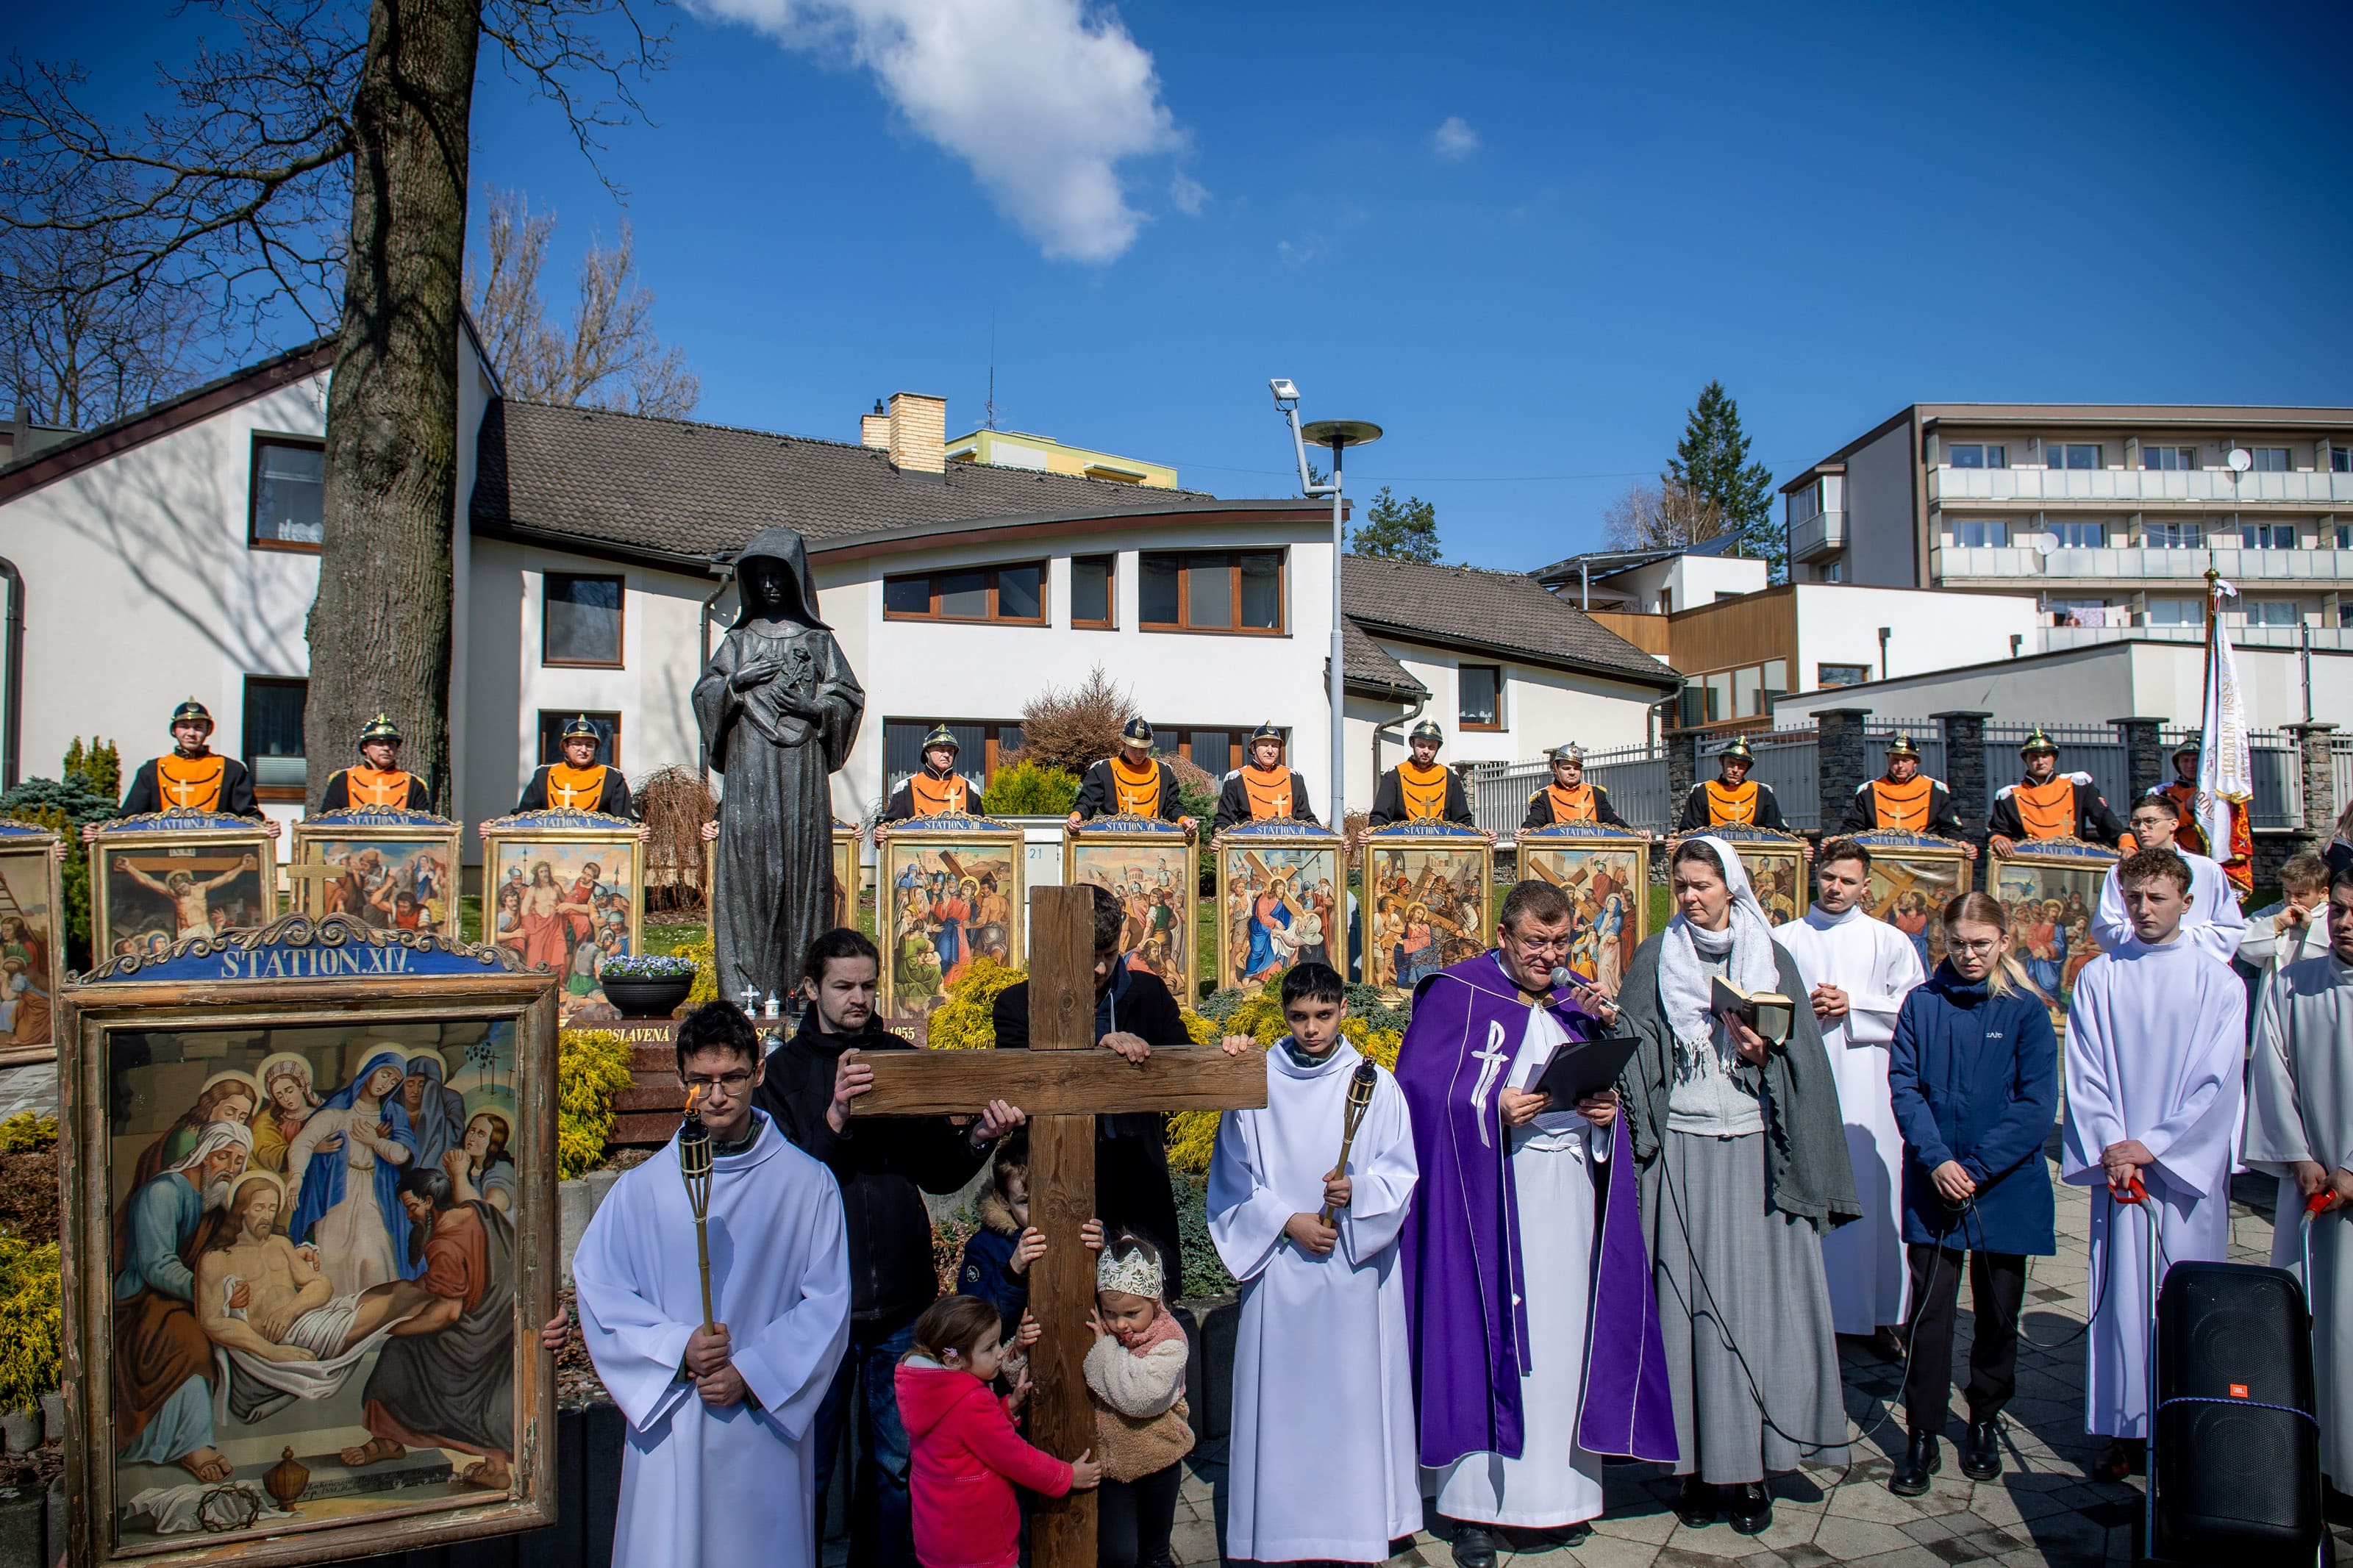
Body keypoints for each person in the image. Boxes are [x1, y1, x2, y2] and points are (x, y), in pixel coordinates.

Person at [1396, 880, 1674, 1567]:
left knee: (1562, 1343)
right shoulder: (1456, 994)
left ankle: (1562, 1497)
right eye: (1535, 943)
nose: (1549, 956)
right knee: (1490, 1340)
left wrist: (1604, 1117)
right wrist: (1490, 1110)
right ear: (1503, 936)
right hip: (1489, 1201)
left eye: (1560, 942)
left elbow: (1600, 1088)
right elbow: (1420, 1094)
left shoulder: (1578, 1001)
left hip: (1568, 1196)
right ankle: (1474, 1512)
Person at [754, 928, 1026, 1568]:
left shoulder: (898, 1057)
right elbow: (781, 1187)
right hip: (817, 1307)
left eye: (868, 985)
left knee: (897, 1466)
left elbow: (937, 1171)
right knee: (808, 1469)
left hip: (902, 1302)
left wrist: (981, 1136)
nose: (858, 998)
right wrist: (835, 1122)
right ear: (811, 988)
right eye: (843, 986)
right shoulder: (786, 1076)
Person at [1618, 837, 1857, 1536]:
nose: (1690, 896)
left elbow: (1805, 1065)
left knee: (1757, 1309)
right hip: (1683, 1151)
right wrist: (1619, 1027)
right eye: (1680, 885)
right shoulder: (1654, 956)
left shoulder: (1773, 956)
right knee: (1685, 1309)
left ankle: (1752, 1466)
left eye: (1702, 884)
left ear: (1732, 887)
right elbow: (1638, 1047)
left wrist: (1766, 1053)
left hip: (1756, 1151)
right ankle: (1693, 1465)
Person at [569, 999, 853, 1564]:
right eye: (702, 1080)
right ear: (682, 1078)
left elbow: (828, 1304)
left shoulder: (806, 1185)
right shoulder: (643, 1190)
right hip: (672, 1419)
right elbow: (599, 1290)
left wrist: (750, 1372)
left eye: (731, 1078)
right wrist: (678, 1347)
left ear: (760, 1071)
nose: (717, 1095)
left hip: (759, 1423)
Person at [1209, 962, 1420, 1564]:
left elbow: (1400, 1173)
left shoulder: (1374, 1085)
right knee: (1286, 1409)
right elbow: (1233, 1176)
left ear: (1343, 1010)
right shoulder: (1256, 1080)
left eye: (1323, 1015)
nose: (1311, 1028)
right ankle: (1278, 1529)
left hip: (1353, 1273)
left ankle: (1357, 1525)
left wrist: (1359, 1193)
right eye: (1299, 1016)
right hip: (1281, 1265)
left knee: (1350, 1401)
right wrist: (1289, 1220)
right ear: (1283, 1014)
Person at [2060, 846, 2246, 1484]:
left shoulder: (2218, 982)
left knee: (2185, 1298)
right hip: (2122, 1172)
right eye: (2133, 898)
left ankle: (2187, 1425)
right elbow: (2084, 1073)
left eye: (2157, 898)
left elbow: (2217, 1082)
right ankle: (2122, 1427)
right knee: (2120, 1301)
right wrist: (2114, 1143)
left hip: (2181, 1176)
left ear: (2187, 903)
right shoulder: (2100, 977)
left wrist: (2154, 1144)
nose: (2143, 909)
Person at [1882, 892, 2059, 1495]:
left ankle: (1984, 1415)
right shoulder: (1921, 1003)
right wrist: (1937, 1159)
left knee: (1997, 1311)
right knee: (1930, 1316)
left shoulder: (2026, 1011)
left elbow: (2036, 1104)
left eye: (1981, 943)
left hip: (2001, 1183)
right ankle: (1922, 1429)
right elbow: (1904, 1084)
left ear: (2004, 941)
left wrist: (1976, 1167)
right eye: (1957, 943)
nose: (1968, 955)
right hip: (1936, 1181)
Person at [1773, 838, 1927, 1357]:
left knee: (1870, 1198)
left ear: (1866, 885)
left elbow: (1914, 1008)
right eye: (1829, 876)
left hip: (1867, 1088)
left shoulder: (1889, 941)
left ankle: (1880, 1314)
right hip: (1803, 1085)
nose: (1836, 887)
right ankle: (1805, 1314)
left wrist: (1853, 1005)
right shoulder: (1784, 938)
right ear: (1816, 875)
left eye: (1848, 879)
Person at [992, 885, 1190, 1279]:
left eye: (1109, 955)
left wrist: (1229, 1050)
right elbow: (1017, 1090)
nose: (1100, 970)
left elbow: (1186, 1066)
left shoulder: (1148, 995)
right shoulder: (1016, 1005)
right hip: (1055, 1173)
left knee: (1148, 1305)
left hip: (1138, 1175)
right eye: (1088, 957)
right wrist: (1095, 1051)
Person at [2244, 867, 2353, 1502]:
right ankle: (2316, 1460)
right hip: (2311, 1187)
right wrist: (2298, 1153)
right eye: (2337, 909)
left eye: (2351, 911)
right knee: (2316, 1325)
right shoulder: (2294, 982)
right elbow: (2273, 1066)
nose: (2342, 922)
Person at [896, 1295, 1097, 1568]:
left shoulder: (927, 1391)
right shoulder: (970, 1402)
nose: (1001, 1353)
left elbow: (958, 1441)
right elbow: (1016, 1458)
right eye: (989, 1348)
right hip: (980, 1546)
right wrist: (1067, 1475)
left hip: (939, 1543)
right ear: (954, 1360)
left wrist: (1006, 1407)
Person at [112, 1121, 253, 1482]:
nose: (230, 1169)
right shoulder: (163, 1192)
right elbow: (156, 1266)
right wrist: (214, 1293)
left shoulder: (214, 1200)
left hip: (187, 1294)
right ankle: (192, 1445)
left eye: (239, 1162)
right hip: (143, 1299)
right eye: (224, 1157)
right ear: (203, 1154)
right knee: (187, 1339)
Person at [1082, 1231, 1193, 1568]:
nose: (1120, 1324)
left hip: (1160, 1460)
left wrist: (1104, 1351)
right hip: (1113, 1467)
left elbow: (1141, 1397)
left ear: (1156, 1301)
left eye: (1132, 1313)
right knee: (1117, 1554)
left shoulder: (1171, 1342)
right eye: (1111, 1312)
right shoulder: (1102, 1326)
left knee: (1154, 1553)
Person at [285, 1048, 420, 1295]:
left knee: (374, 1254)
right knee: (334, 1256)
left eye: (393, 1080)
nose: (386, 1083)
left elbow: (402, 1154)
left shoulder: (392, 1113)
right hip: (338, 1191)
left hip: (376, 1191)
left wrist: (375, 1142)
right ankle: (337, 1320)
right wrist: (296, 1176)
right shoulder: (341, 1109)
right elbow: (303, 1142)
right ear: (370, 1070)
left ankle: (376, 1316)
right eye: (384, 1074)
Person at [2090, 793, 2246, 964]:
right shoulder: (2121, 871)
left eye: (2150, 821)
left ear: (2173, 824)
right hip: (2138, 963)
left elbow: (2228, 928)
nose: (2142, 829)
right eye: (2136, 823)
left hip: (2196, 965)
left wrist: (2177, 939)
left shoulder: (2207, 869)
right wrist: (2150, 937)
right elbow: (2106, 928)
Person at [108, 698, 274, 831]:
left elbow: (249, 817)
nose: (191, 733)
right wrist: (101, 831)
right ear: (174, 730)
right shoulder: (151, 770)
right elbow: (129, 820)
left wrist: (265, 827)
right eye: (184, 727)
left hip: (215, 854)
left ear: (208, 731)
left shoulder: (232, 770)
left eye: (198, 727)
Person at [957, 1128, 1043, 1342]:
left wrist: (1100, 1249)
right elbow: (975, 1322)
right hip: (1009, 1358)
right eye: (1025, 1201)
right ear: (1003, 1200)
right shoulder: (985, 1247)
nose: (1038, 1210)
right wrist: (1013, 1270)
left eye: (1044, 1197)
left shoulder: (1074, 1227)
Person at [1986, 728, 2129, 853]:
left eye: (2045, 756)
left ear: (2054, 757)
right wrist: (1998, 840)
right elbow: (1999, 830)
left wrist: (2124, 840)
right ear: (2026, 760)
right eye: (2034, 757)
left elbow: (2103, 816)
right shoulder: (2008, 796)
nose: (2040, 762)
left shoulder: (2077, 785)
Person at [2147, 733, 2252, 894]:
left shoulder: (2223, 793)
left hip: (2217, 857)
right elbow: (2154, 824)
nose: (2190, 765)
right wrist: (2185, 808)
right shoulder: (2161, 792)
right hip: (2179, 856)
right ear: (2178, 763)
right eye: (2185, 760)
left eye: (2195, 760)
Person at [2240, 851, 2331, 1030]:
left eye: (2301, 894)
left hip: (2316, 996)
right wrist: (2276, 923)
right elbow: (2239, 940)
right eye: (2287, 891)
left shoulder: (2331, 916)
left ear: (2323, 892)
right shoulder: (2274, 912)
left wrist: (2311, 927)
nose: (2292, 900)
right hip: (2275, 995)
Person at [1839, 733, 1972, 848]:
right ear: (1888, 760)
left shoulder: (1936, 790)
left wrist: (1960, 842)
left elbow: (1949, 827)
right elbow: (1854, 825)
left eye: (1905, 760)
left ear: (1915, 762)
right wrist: (1840, 839)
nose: (1900, 766)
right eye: (1895, 760)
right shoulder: (1868, 790)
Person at [1068, 720, 1194, 831]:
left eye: (1143, 749)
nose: (1139, 754)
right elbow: (1087, 801)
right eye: (1134, 749)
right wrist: (1077, 815)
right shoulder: (1103, 770)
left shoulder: (1163, 772)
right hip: (1115, 841)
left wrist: (1183, 820)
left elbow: (1172, 806)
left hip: (1153, 840)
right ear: (1123, 744)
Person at [514, 715, 642, 819]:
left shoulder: (612, 777)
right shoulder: (544, 775)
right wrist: (500, 826)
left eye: (589, 745)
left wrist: (638, 830)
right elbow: (524, 815)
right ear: (565, 747)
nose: (584, 750)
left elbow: (627, 819)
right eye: (577, 744)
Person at [122, 854, 262, 940]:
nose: (181, 890)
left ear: (189, 882)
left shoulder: (201, 888)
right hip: (187, 933)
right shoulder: (175, 896)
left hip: (205, 930)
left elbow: (226, 878)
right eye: (177, 889)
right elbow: (148, 881)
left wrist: (242, 866)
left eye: (182, 886)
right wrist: (129, 868)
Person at [1213, 723, 1320, 833]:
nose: (1270, 750)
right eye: (1264, 745)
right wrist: (1219, 836)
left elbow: (1306, 818)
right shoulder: (1236, 779)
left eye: (1274, 746)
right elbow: (1225, 819)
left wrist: (1322, 837)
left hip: (1288, 846)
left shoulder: (1294, 778)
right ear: (1253, 749)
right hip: (1250, 846)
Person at [1367, 720, 1474, 829]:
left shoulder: (1450, 777)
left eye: (1431, 747)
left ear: (1437, 748)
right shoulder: (1394, 776)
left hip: (1441, 844)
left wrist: (1481, 835)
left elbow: (1463, 821)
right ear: (1412, 743)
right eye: (1421, 746)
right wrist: (1372, 830)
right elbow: (1380, 818)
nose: (1426, 751)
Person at [319, 713, 434, 811]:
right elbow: (328, 822)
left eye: (391, 744)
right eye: (379, 743)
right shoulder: (343, 779)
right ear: (365, 747)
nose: (386, 748)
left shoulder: (413, 783)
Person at [1674, 737, 1789, 832]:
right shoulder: (1702, 791)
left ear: (1747, 768)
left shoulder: (1762, 792)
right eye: (1731, 763)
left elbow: (1779, 831)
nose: (1735, 769)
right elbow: (1689, 831)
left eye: (1741, 766)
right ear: (1722, 762)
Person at [1520, 744, 1632, 831]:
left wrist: (1635, 835)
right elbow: (1534, 822)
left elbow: (1614, 821)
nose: (1572, 772)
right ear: (1556, 770)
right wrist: (1525, 831)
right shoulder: (1543, 796)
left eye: (1577, 768)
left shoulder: (1596, 793)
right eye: (1566, 768)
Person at [878, 726, 971, 829]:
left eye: (950, 751)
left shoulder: (968, 788)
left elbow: (982, 829)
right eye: (941, 750)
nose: (946, 755)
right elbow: (891, 826)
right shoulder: (907, 787)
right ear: (927, 753)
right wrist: (882, 831)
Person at [250, 1053, 321, 1174]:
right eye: (279, 1095)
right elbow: (267, 1153)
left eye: (289, 1091)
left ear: (302, 1087)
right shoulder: (268, 1119)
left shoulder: (323, 1115)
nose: (286, 1098)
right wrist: (312, 1150)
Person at [401, 1048, 468, 1173]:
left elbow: (456, 1134)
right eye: (410, 1084)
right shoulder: (397, 1102)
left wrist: (430, 1116)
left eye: (422, 1085)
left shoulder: (452, 1098)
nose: (415, 1090)